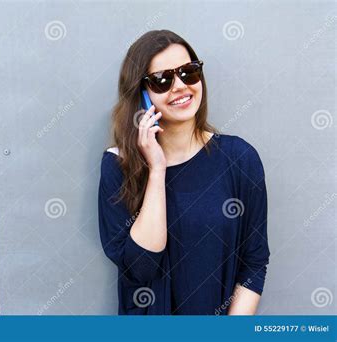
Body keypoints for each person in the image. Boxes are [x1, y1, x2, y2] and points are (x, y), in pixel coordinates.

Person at [98, 29, 270, 315]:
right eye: (162, 80)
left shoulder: (240, 159)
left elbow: (253, 262)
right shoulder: (119, 166)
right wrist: (156, 170)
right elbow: (142, 267)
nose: (179, 86)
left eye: (188, 72)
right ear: (140, 95)